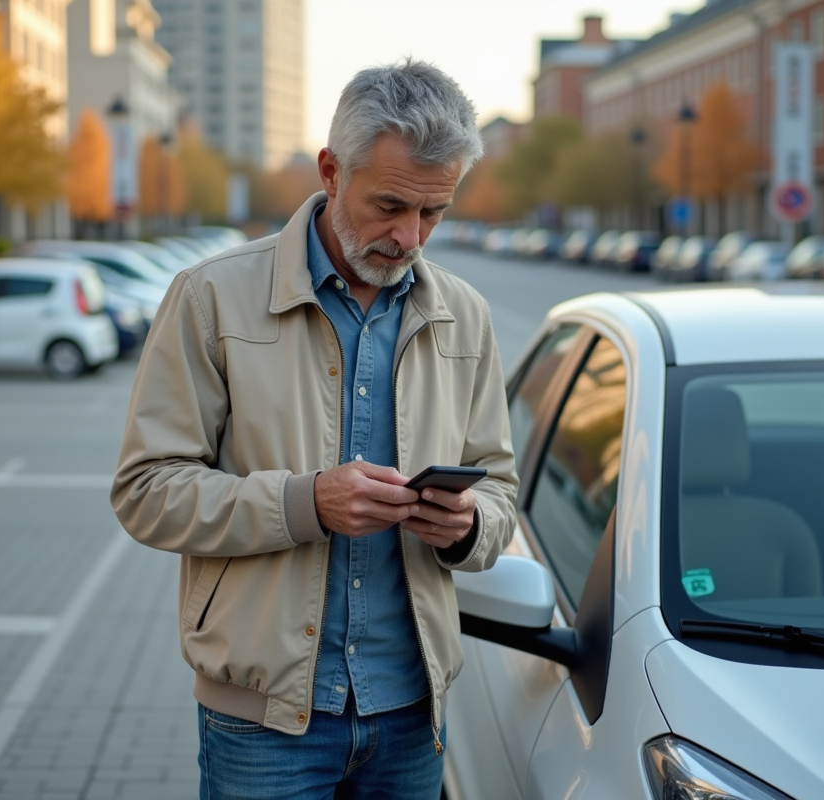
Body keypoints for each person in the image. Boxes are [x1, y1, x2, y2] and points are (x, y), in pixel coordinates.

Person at [111, 59, 518, 800]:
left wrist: (464, 527)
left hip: (413, 717)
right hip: (265, 724)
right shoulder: (211, 298)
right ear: (331, 170)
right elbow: (145, 492)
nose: (410, 236)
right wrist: (305, 505)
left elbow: (501, 494)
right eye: (389, 204)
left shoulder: (468, 315)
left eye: (434, 213)